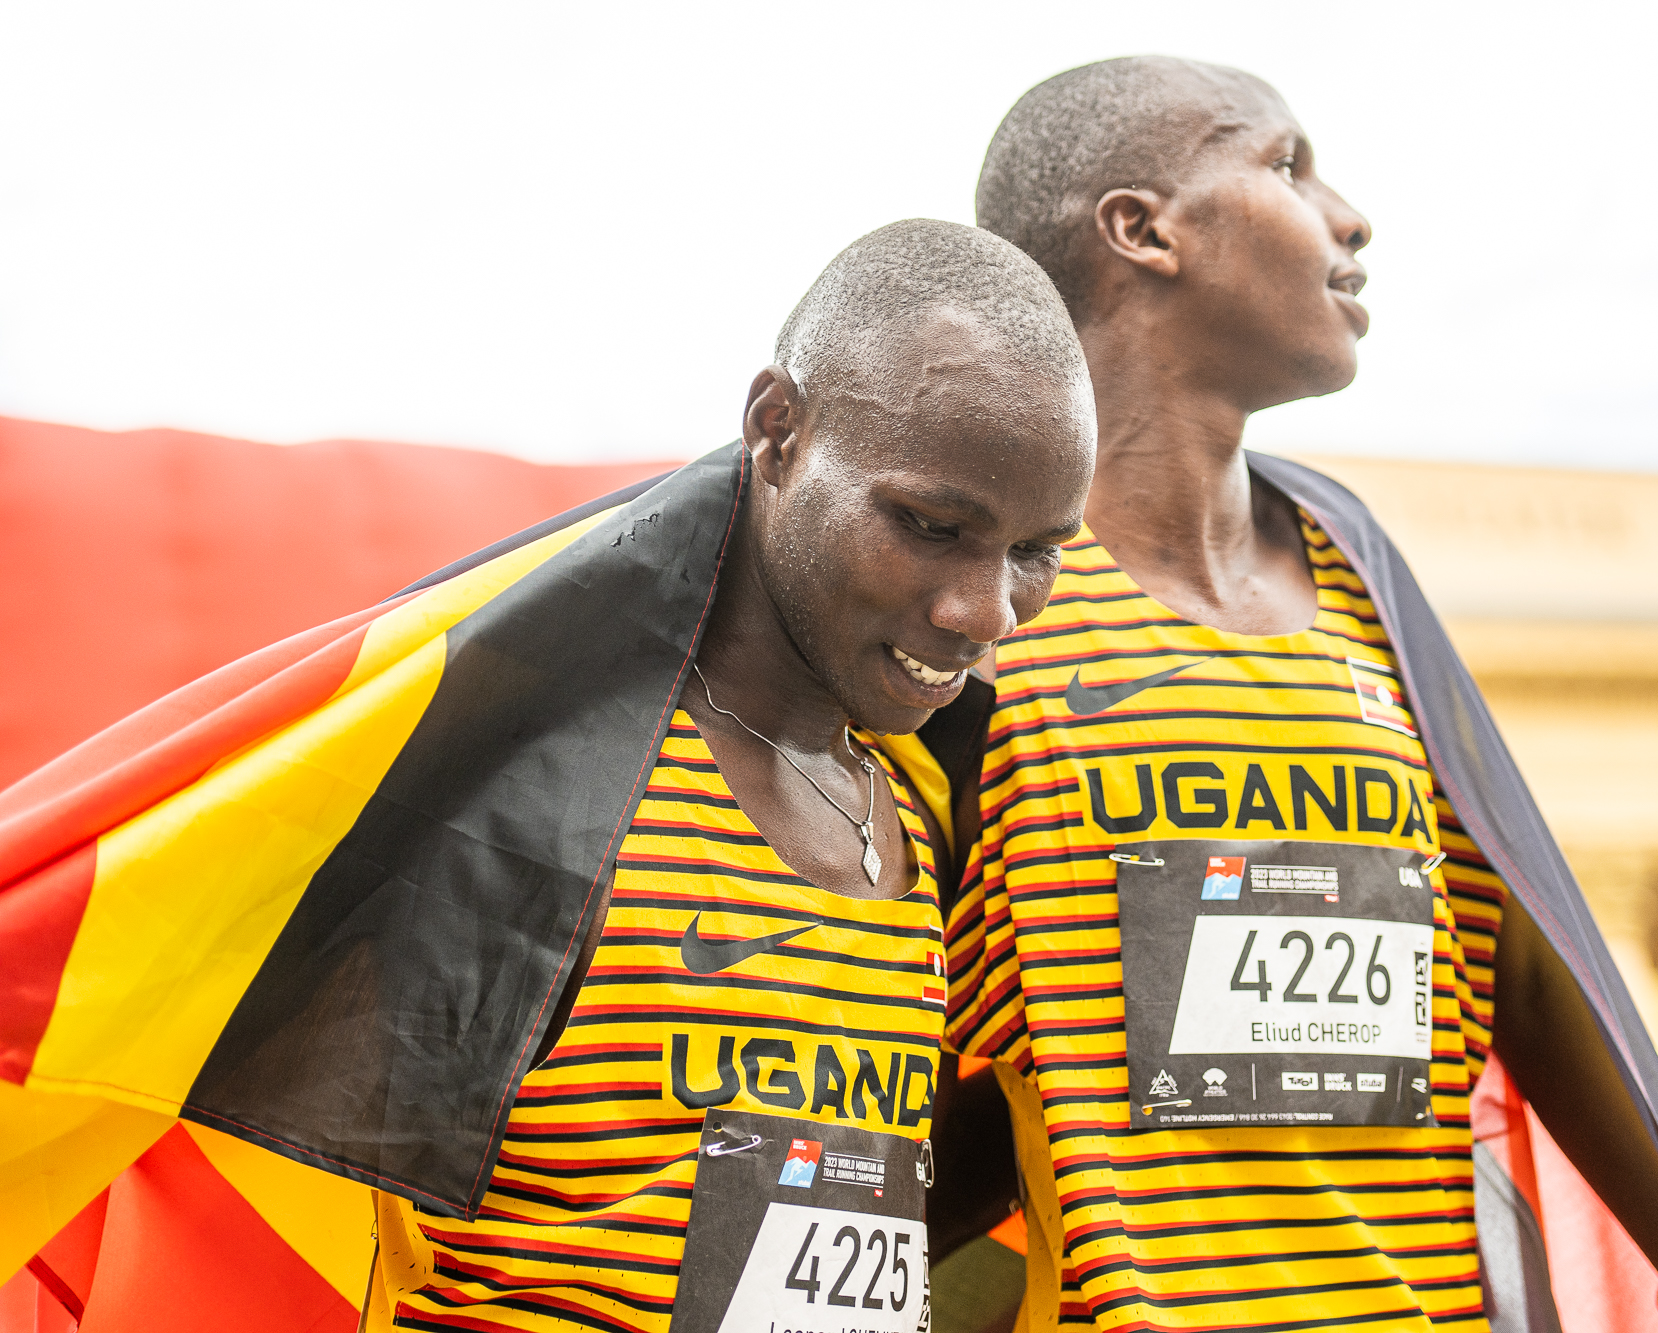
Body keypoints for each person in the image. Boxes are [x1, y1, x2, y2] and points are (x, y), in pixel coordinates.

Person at [0, 219, 1096, 1333]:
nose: (987, 610)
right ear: (778, 432)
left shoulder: (929, 808)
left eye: (1036, 550)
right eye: (930, 525)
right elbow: (276, 1208)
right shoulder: (522, 806)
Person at [932, 58, 1658, 1333]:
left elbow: (1530, 969)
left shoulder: (1358, 575)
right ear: (1142, 230)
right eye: (1284, 165)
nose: (1349, 218)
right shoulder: (976, 601)